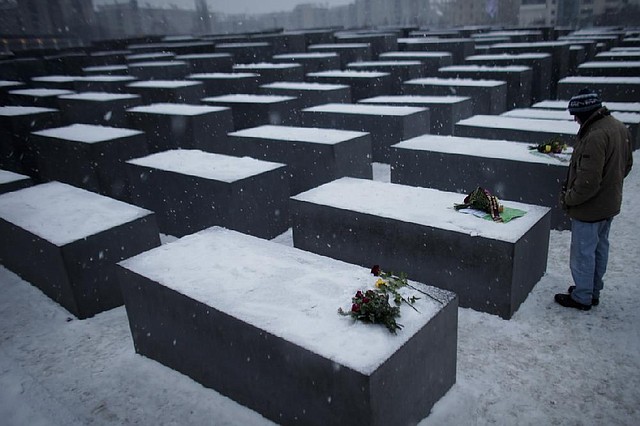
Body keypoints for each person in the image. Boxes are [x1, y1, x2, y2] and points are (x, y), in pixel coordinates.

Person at [555, 89, 633, 311]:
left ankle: (581, 297)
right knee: (599, 249)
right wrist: (610, 186)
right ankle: (591, 290)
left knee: (583, 253)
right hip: (608, 204)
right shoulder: (619, 127)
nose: (574, 119)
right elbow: (626, 165)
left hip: (590, 208)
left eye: (576, 114)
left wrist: (568, 199)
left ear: (586, 112)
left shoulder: (595, 136)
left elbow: (587, 183)